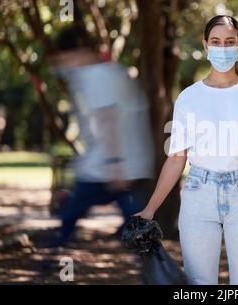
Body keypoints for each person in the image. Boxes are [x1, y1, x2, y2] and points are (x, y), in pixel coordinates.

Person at [135, 15, 238, 285]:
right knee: (198, 285)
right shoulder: (189, 98)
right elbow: (176, 158)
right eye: (216, 42)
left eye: (229, 42)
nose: (222, 47)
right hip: (198, 194)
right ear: (205, 45)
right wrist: (150, 208)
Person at [48, 25, 155, 246]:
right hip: (126, 166)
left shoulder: (94, 75)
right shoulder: (111, 71)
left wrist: (115, 164)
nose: (64, 65)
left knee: (68, 221)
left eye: (66, 58)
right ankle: (161, 276)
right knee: (140, 234)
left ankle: (45, 267)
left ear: (80, 53)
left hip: (107, 170)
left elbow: (108, 120)